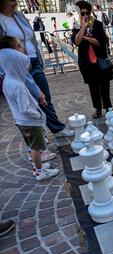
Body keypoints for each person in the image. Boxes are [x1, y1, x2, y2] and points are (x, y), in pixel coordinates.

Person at [0, 0, 74, 138]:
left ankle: (57, 129)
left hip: (33, 61)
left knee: (45, 97)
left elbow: (31, 38)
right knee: (30, 102)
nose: (15, 2)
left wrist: (37, 57)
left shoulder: (19, 16)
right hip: (18, 67)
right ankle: (38, 142)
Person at [0, 36, 59, 181]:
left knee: (33, 146)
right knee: (35, 147)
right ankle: (39, 171)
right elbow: (25, 108)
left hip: (22, 122)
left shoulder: (9, 80)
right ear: (17, 62)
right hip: (30, 122)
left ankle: (38, 167)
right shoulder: (18, 85)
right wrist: (38, 116)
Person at [71, 0, 113, 119]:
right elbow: (76, 41)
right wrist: (84, 28)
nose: (85, 16)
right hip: (86, 62)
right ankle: (97, 108)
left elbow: (101, 42)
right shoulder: (76, 26)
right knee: (93, 86)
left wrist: (86, 37)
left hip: (100, 59)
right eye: (82, 13)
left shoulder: (97, 24)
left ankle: (108, 107)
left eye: (87, 13)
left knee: (104, 84)